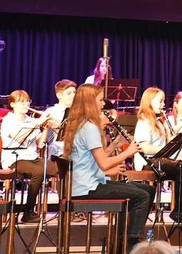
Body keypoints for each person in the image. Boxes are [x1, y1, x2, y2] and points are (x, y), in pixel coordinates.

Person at [63, 84, 154, 251]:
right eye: (100, 100)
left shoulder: (80, 124)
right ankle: (130, 244)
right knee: (141, 196)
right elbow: (104, 163)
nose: (103, 104)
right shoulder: (89, 127)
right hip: (88, 188)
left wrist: (115, 145)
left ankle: (122, 238)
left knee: (147, 190)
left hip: (86, 183)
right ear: (90, 103)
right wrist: (128, 152)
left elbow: (94, 158)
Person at [1, 90, 58, 223]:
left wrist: (45, 129)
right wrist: (39, 122)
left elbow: (40, 144)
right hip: (14, 157)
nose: (26, 104)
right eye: (22, 102)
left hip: (32, 157)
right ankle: (28, 211)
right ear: (13, 104)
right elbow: (19, 137)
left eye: (27, 101)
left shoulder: (31, 120)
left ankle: (66, 207)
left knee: (57, 167)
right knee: (38, 172)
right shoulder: (8, 120)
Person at [133, 87, 182, 221]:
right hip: (147, 161)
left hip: (160, 160)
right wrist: (165, 149)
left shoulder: (160, 121)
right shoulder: (144, 121)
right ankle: (179, 210)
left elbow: (166, 144)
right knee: (180, 170)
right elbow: (144, 147)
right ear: (149, 102)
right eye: (160, 101)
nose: (163, 105)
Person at [44, 79, 77, 158]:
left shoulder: (79, 112)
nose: (73, 95)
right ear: (59, 95)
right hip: (55, 152)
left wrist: (60, 126)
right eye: (69, 93)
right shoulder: (51, 112)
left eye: (74, 93)